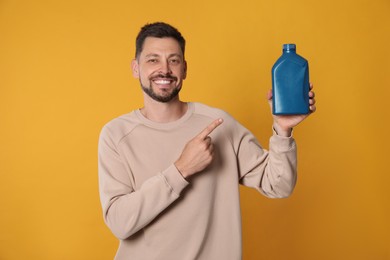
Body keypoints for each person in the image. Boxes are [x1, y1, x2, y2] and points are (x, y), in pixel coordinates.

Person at [98, 22, 316, 260]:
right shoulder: (116, 135)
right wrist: (181, 170)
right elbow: (119, 223)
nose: (164, 69)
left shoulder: (219, 124)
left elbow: (279, 185)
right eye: (153, 60)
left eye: (173, 60)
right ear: (135, 68)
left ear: (185, 69)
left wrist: (282, 130)